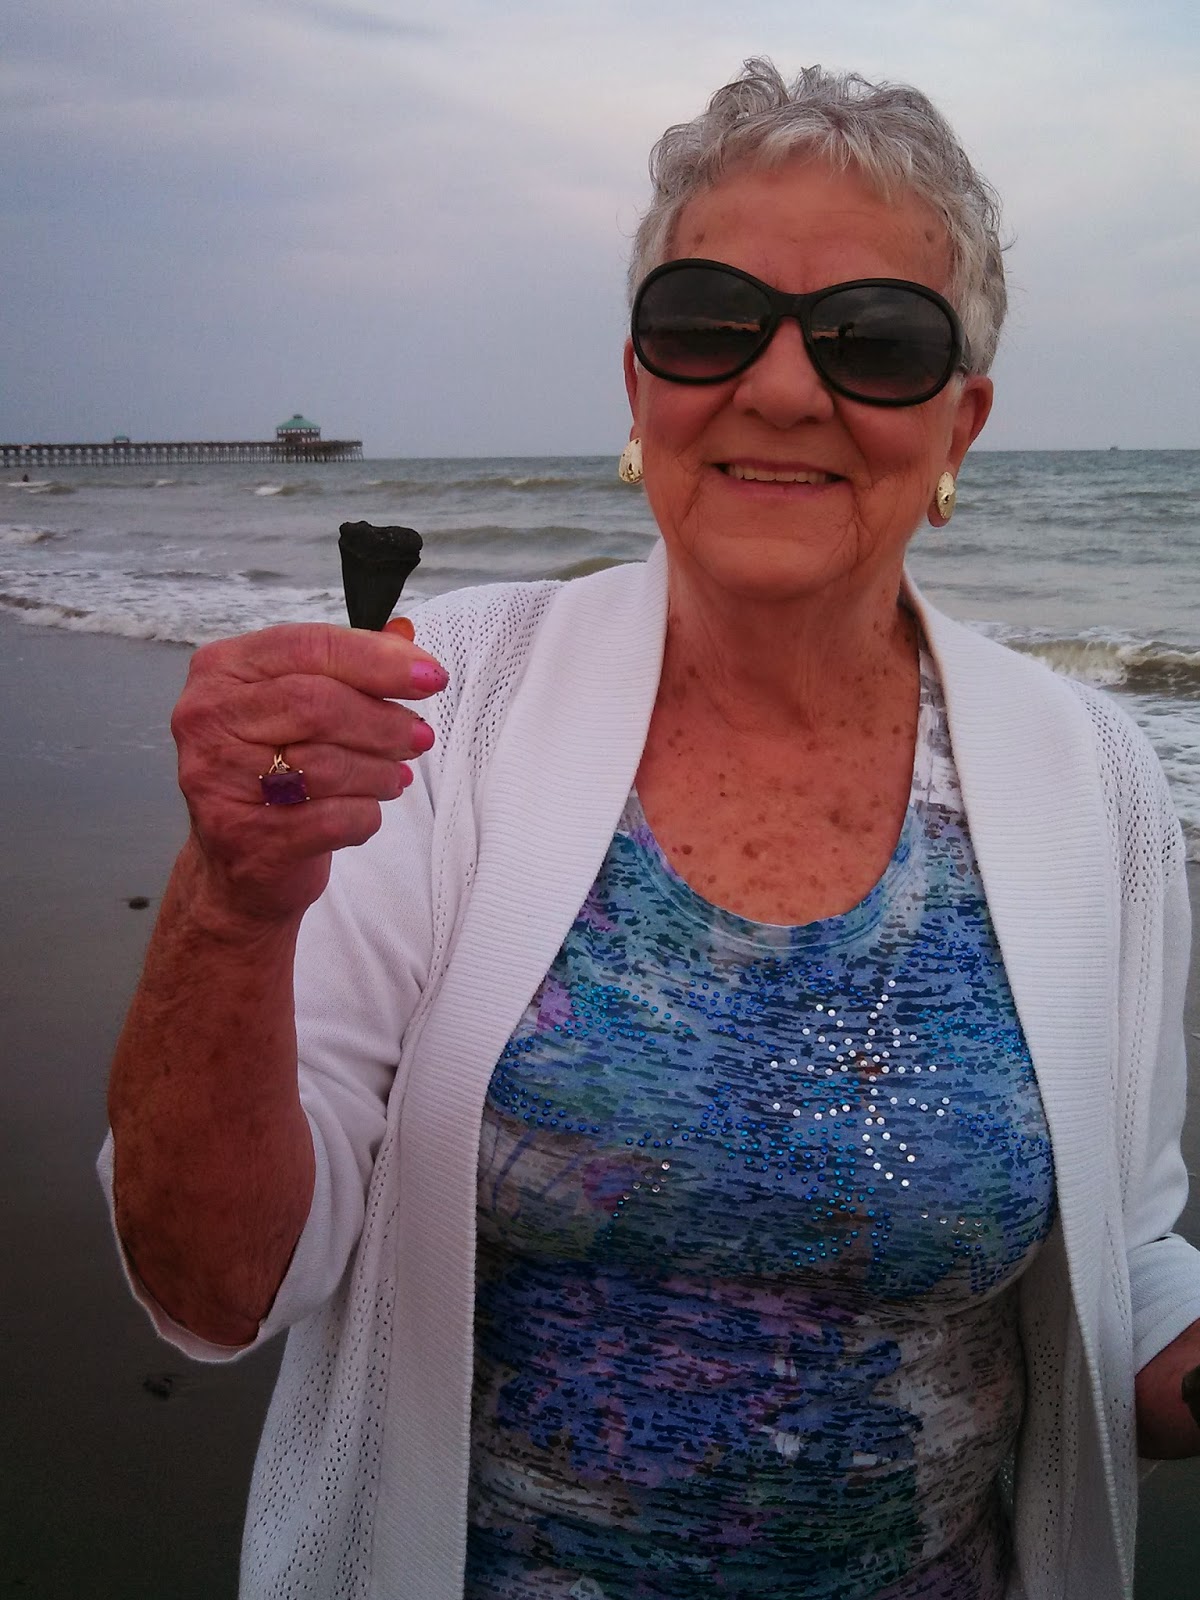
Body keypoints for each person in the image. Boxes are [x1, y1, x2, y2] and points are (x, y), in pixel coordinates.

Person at [103, 59, 1200, 1600]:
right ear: (640, 386)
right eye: (709, 320)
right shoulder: (435, 713)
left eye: (875, 341)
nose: (781, 387)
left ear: (964, 418)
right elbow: (215, 1286)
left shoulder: (1098, 779)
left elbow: (1128, 1266)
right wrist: (232, 900)